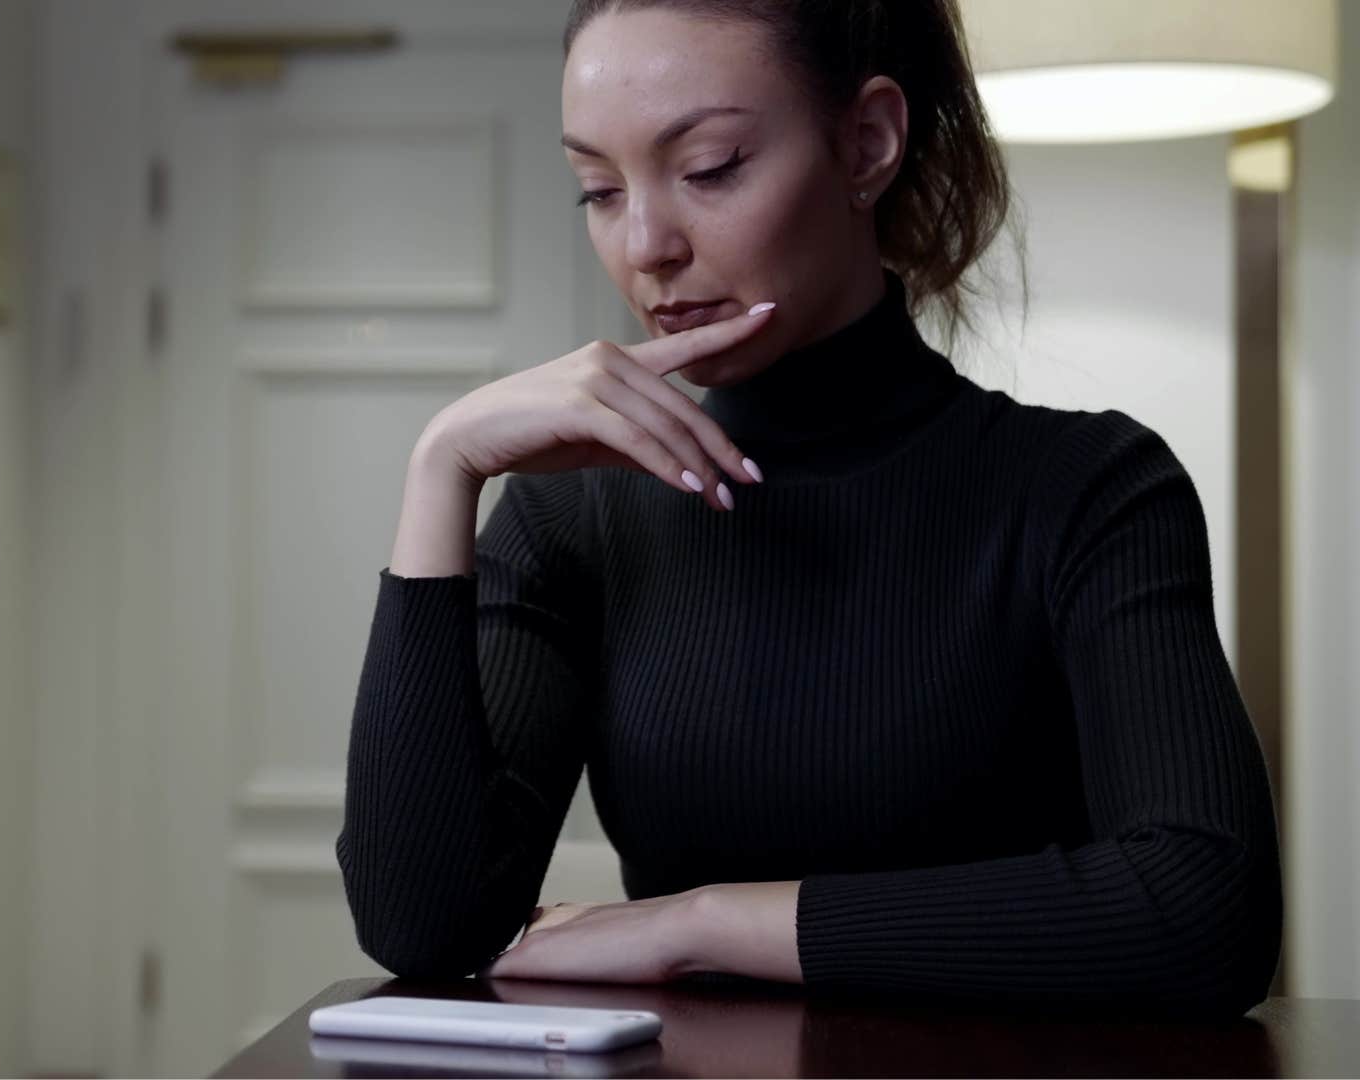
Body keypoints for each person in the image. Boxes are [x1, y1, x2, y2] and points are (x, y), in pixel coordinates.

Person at [335, 0, 1282, 1018]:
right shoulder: (576, 520)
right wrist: (443, 466)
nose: (645, 244)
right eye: (599, 190)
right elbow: (422, 929)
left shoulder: (1088, 489)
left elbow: (1204, 910)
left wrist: (701, 924)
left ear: (867, 143)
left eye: (709, 168)